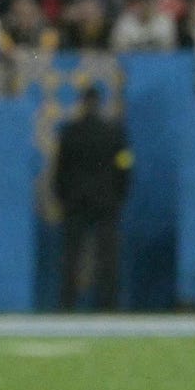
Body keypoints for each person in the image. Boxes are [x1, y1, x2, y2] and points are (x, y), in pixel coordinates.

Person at [53, 86, 133, 311]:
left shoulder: (70, 133)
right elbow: (125, 166)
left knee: (72, 257)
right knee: (107, 258)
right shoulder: (114, 133)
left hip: (76, 201)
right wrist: (119, 196)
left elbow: (60, 170)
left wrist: (63, 197)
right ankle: (108, 304)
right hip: (106, 202)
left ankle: (67, 304)